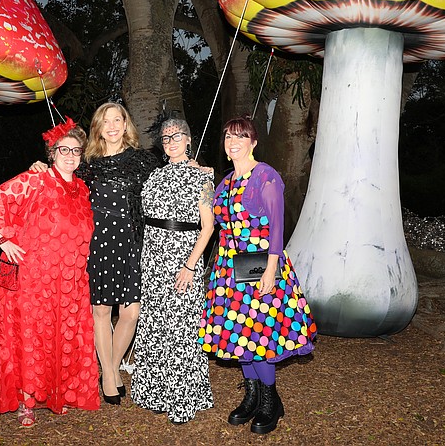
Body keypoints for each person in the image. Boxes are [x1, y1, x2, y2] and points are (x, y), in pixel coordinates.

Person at [198, 115, 317, 435]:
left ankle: (270, 401)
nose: (233, 142)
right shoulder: (224, 183)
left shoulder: (265, 175)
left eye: (240, 136)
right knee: (240, 334)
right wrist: (202, 180)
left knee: (259, 335)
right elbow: (209, 217)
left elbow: (277, 226)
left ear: (253, 142)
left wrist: (271, 269)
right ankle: (252, 397)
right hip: (229, 268)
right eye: (228, 137)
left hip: (260, 263)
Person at [0, 117, 98, 427]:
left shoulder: (82, 189)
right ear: (52, 153)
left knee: (59, 338)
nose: (70, 156)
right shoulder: (37, 180)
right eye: (64, 150)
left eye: (76, 150)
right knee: (31, 339)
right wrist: (4, 240)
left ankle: (56, 394)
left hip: (69, 281)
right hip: (35, 279)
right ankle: (26, 403)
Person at [130, 113, 215, 424]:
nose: (171, 141)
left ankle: (183, 400)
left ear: (189, 140)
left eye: (177, 135)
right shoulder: (154, 176)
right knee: (154, 325)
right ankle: (156, 393)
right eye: (166, 137)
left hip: (183, 260)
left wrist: (190, 266)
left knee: (181, 329)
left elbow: (208, 227)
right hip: (153, 260)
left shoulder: (203, 180)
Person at [73, 102, 159, 404]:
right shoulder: (86, 164)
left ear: (125, 124)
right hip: (97, 243)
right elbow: (61, 182)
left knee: (131, 313)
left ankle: (109, 367)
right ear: (98, 128)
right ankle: (110, 376)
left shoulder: (143, 161)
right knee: (101, 311)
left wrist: (194, 167)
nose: (111, 126)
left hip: (132, 241)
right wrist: (40, 167)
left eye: (117, 120)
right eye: (105, 121)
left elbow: (166, 184)